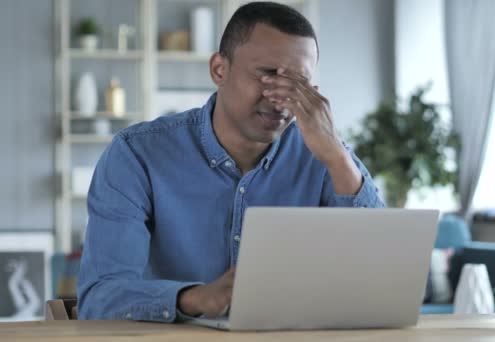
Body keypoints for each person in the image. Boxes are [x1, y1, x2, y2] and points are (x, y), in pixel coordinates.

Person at [77, 1, 384, 322]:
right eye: (269, 74)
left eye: (299, 84)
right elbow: (100, 299)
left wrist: (337, 157)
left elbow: (380, 276)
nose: (281, 97)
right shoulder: (136, 154)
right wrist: (196, 298)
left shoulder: (325, 155)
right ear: (219, 70)